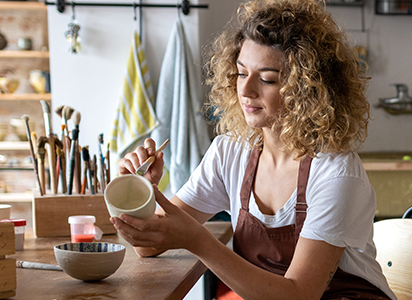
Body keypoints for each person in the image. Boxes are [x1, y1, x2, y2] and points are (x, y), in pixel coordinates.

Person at [111, 0, 395, 299]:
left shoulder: (335, 173)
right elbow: (147, 245)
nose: (246, 91)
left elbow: (299, 295)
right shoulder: (230, 153)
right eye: (241, 73)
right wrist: (139, 192)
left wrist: (198, 240)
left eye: (267, 79)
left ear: (305, 88)